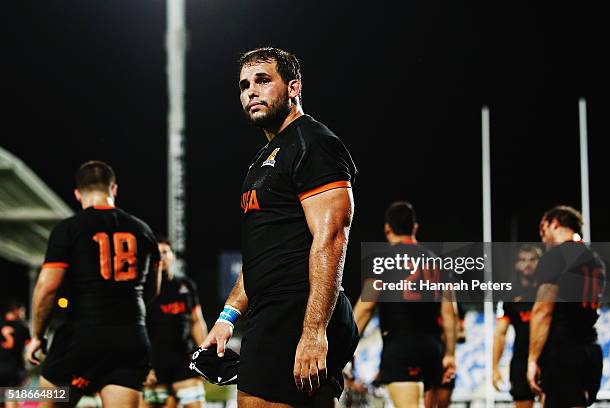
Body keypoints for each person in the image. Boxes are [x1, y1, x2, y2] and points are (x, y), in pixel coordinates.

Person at [201, 47, 359, 407]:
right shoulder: (265, 157)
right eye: (243, 85)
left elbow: (332, 237)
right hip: (275, 311)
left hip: (295, 311)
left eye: (262, 80)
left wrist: (314, 330)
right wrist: (227, 318)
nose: (250, 92)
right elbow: (261, 256)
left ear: (293, 88)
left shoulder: (313, 142)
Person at [25, 160, 162, 408]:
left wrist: (37, 335)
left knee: (50, 402)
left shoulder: (69, 229)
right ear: (114, 189)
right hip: (131, 337)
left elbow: (46, 289)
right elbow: (153, 289)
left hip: (82, 336)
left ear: (77, 193)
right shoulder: (143, 230)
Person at [352, 201, 457, 408]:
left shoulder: (382, 261)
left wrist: (346, 344)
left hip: (401, 347)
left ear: (387, 228)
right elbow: (449, 313)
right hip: (433, 348)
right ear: (415, 228)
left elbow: (366, 307)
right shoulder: (438, 262)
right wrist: (450, 354)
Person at [528, 205, 607, 407]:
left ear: (555, 224)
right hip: (590, 347)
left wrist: (532, 359)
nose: (542, 236)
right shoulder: (596, 260)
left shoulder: (556, 256)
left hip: (563, 349)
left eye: (543, 229)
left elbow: (543, 311)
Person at [142, 239, 208, 408]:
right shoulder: (143, 288)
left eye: (165, 252)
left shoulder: (186, 286)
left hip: (183, 359)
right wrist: (142, 365)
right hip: (153, 363)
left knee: (197, 403)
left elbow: (196, 321)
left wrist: (206, 355)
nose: (162, 257)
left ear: (172, 256)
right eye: (158, 253)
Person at [493, 245, 541, 407]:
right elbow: (500, 333)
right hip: (521, 360)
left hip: (547, 358)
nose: (528, 264)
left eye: (532, 259)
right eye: (523, 260)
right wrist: (494, 368)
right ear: (516, 264)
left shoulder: (548, 290)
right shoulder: (509, 295)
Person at [0, 299, 31, 408]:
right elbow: (29, 349)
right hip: (13, 368)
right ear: (16, 311)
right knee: (10, 399)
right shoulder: (21, 327)